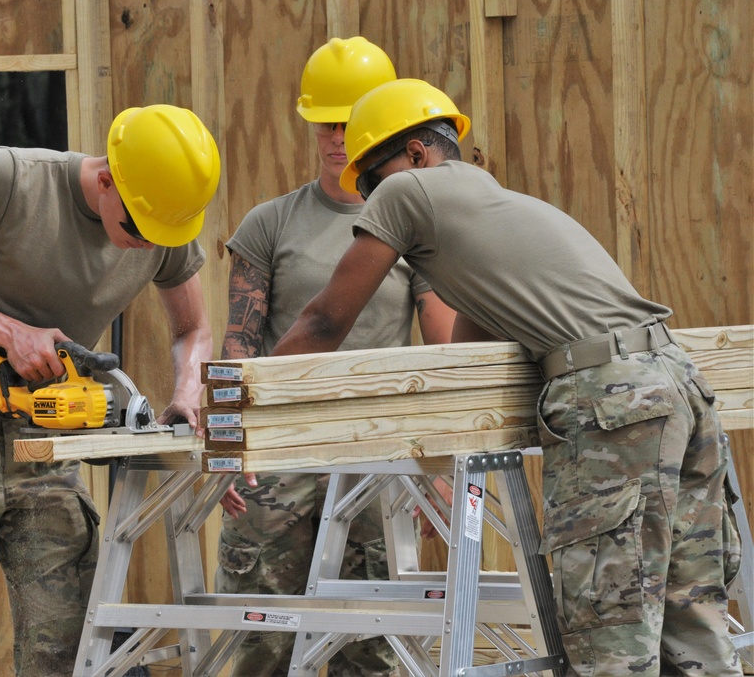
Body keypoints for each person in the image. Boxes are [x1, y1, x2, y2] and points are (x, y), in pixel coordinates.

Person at [270, 77, 743, 676]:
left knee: (610, 635)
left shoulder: (409, 192)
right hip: (678, 383)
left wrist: (240, 400)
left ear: (416, 153)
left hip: (613, 403)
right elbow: (472, 340)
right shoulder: (493, 210)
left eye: (369, 181)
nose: (367, 199)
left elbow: (325, 318)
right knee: (691, 623)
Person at [0, 104, 220, 677]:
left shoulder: (161, 217)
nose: (146, 245)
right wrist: (9, 332)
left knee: (65, 651)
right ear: (106, 178)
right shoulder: (9, 179)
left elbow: (193, 329)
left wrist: (187, 391)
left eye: (162, 234)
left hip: (54, 442)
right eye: (137, 228)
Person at [214, 39, 456, 677]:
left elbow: (448, 351)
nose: (338, 137)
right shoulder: (270, 223)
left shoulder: (415, 228)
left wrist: (440, 467)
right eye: (326, 122)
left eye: (350, 122)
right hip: (278, 462)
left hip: (378, 458)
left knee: (372, 650)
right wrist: (225, 451)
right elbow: (237, 346)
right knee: (259, 640)